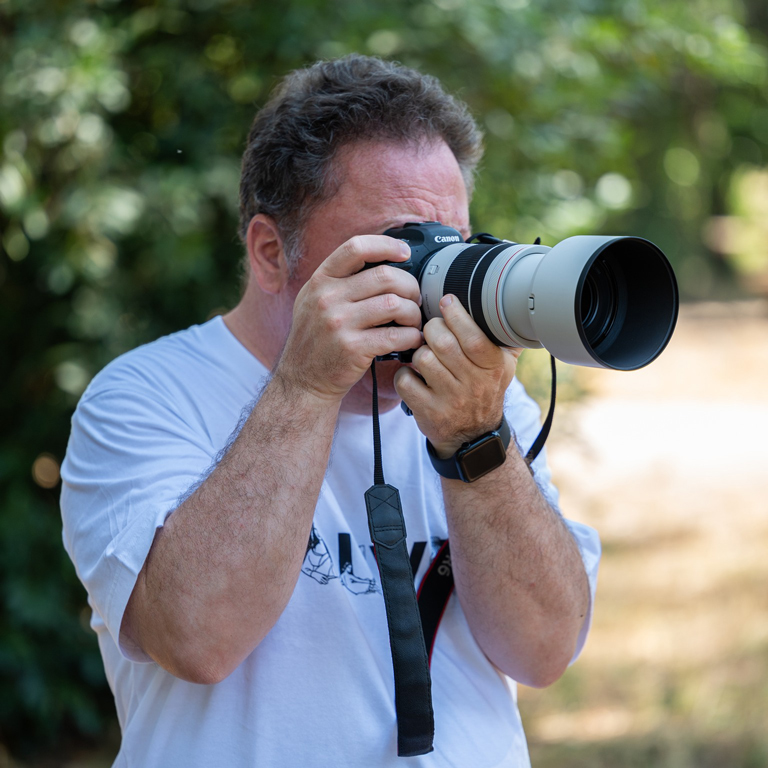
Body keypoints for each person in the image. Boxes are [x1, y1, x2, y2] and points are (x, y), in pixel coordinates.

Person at [61, 54, 601, 767]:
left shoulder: (484, 404)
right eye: (397, 249)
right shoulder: (144, 397)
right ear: (269, 252)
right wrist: (306, 386)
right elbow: (197, 637)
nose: (427, 283)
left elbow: (544, 649)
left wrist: (478, 441)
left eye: (448, 245)